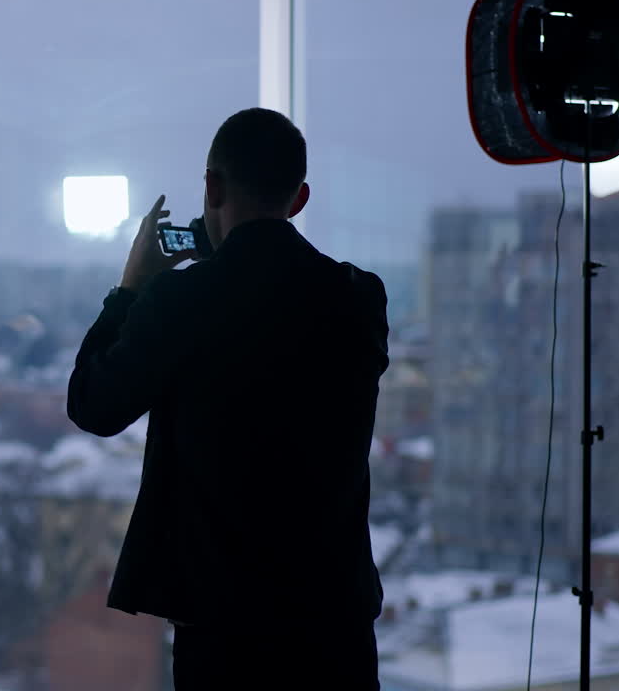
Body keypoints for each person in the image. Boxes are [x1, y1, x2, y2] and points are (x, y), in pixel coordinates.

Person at [67, 108, 389, 689]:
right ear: (300, 198)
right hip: (334, 615)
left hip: (223, 623)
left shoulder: (179, 302)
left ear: (212, 187)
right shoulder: (359, 297)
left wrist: (130, 289)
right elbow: (271, 301)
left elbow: (93, 404)